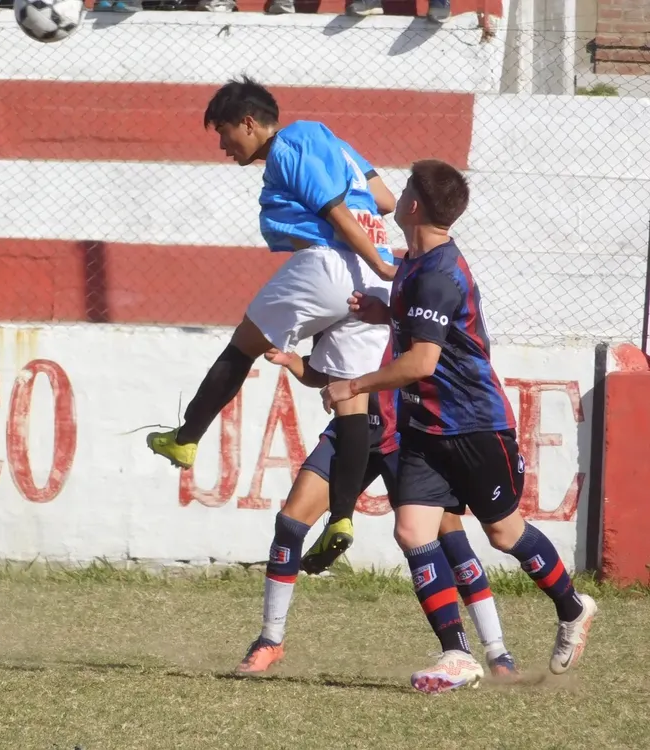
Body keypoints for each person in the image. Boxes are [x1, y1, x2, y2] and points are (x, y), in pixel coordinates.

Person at [322, 159, 597, 693]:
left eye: (403, 190)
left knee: (503, 533)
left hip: (474, 426)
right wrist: (387, 315)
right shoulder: (414, 263)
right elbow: (423, 336)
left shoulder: (440, 275)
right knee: (411, 531)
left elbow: (422, 363)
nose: (396, 196)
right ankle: (456, 653)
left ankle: (572, 606)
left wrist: (353, 386)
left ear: (416, 205)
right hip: (426, 429)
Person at [148, 76, 395, 570]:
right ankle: (342, 518)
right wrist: (383, 270)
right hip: (371, 279)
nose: (222, 146)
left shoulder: (289, 145)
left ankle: (187, 437)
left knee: (242, 347)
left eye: (223, 133)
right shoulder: (332, 141)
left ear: (249, 122)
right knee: (350, 400)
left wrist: (389, 266)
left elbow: (338, 213)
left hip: (333, 264)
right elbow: (384, 201)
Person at [236, 336, 519, 679]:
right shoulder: (340, 300)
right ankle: (270, 639)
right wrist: (291, 360)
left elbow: (421, 363)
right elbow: (323, 373)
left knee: (450, 538)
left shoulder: (395, 305)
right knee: (291, 523)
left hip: (406, 438)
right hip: (351, 432)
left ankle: (497, 652)